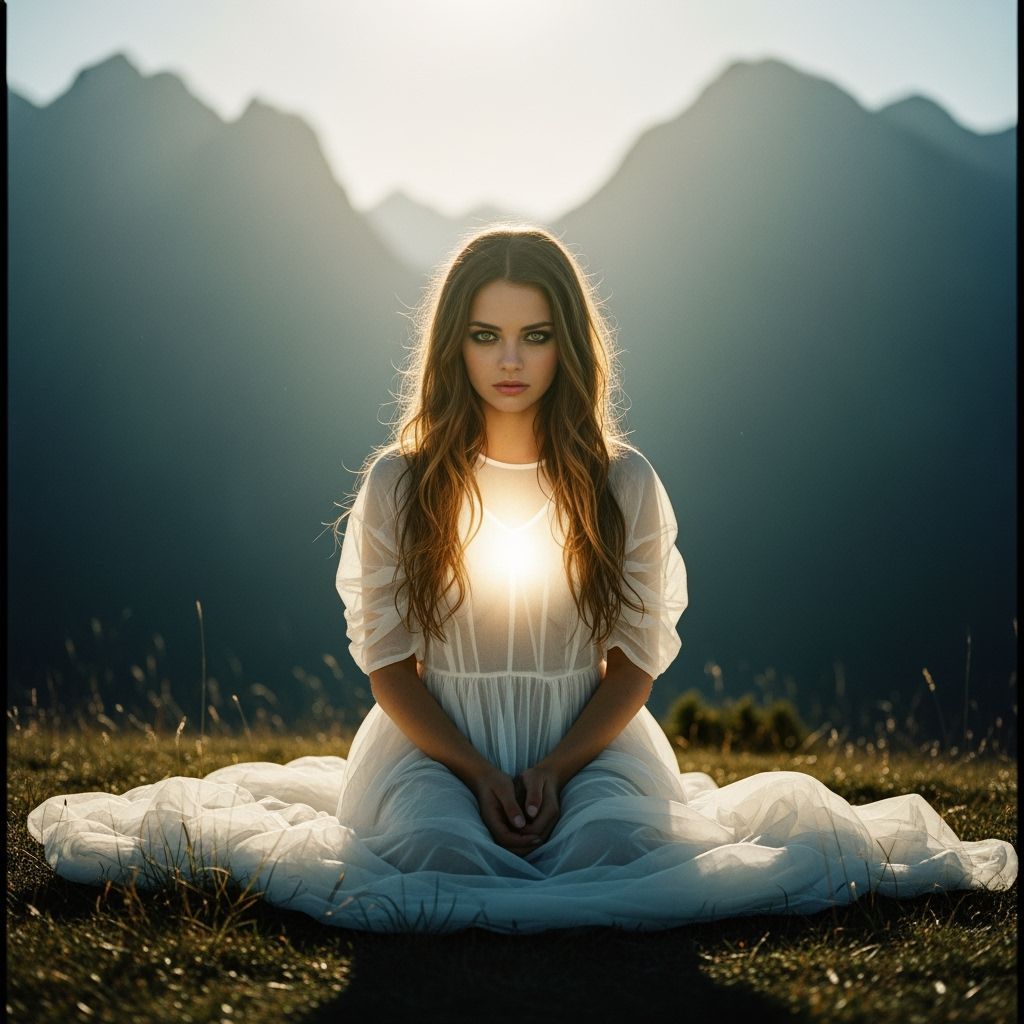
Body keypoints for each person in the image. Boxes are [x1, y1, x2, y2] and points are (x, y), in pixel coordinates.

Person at [27, 226, 1016, 933]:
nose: (510, 359)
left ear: (567, 343)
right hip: (431, 742)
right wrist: (476, 772)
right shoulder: (400, 481)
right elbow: (388, 665)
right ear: (452, 343)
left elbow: (635, 661)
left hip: (593, 739)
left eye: (535, 334)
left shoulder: (624, 482)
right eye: (486, 334)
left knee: (613, 856)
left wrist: (554, 769)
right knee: (434, 862)